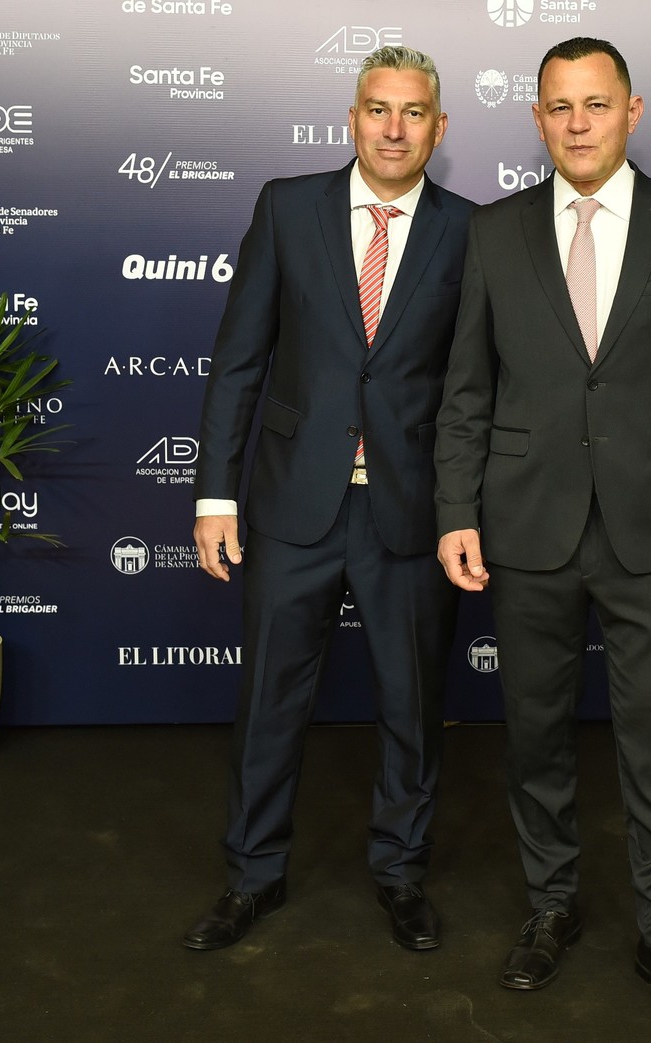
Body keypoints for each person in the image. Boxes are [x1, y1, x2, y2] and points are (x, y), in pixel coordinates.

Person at [434, 37, 651, 1034]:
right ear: (537, 119)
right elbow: (466, 393)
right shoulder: (491, 233)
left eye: (594, 103)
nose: (576, 122)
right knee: (533, 736)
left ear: (631, 110)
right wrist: (454, 508)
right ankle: (550, 906)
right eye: (559, 106)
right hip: (523, 526)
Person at [185, 45, 473, 955]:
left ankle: (400, 872)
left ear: (439, 126)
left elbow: (478, 390)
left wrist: (468, 510)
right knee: (270, 699)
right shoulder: (286, 207)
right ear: (351, 119)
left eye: (414, 112)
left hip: (410, 512)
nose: (394, 128)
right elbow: (238, 363)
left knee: (412, 705)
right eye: (378, 109)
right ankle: (251, 876)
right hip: (289, 506)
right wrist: (214, 496)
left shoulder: (474, 230)